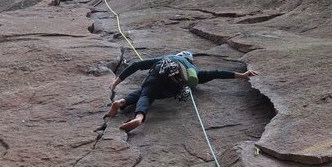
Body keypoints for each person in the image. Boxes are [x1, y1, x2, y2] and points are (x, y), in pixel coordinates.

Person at [106, 51, 259, 132]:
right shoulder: (194, 70)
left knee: (146, 93)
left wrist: (115, 83)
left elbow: (136, 65)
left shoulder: (168, 57)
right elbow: (217, 73)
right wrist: (242, 75)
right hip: (174, 87)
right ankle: (123, 104)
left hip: (159, 74)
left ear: (179, 55)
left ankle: (135, 113)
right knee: (146, 94)